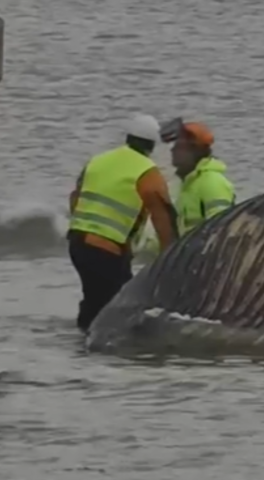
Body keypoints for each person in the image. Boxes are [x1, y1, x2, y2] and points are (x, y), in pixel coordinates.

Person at [67, 113, 176, 333]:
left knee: (94, 299)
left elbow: (75, 198)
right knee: (121, 306)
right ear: (152, 145)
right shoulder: (147, 172)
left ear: (128, 137)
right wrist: (171, 257)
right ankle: (103, 356)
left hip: (77, 243)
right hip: (105, 249)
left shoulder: (98, 161)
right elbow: (163, 219)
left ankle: (81, 345)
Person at [169, 120, 236, 238]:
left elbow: (220, 232)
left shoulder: (212, 183)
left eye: (179, 146)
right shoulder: (188, 184)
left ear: (195, 151)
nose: (172, 150)